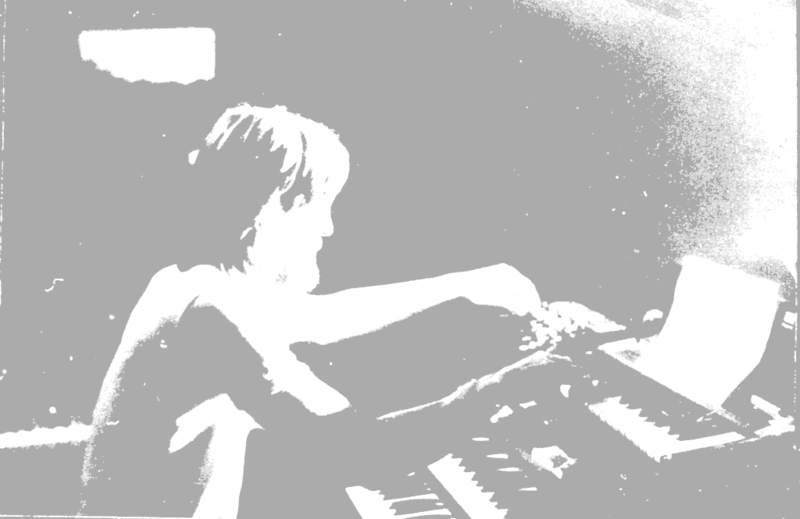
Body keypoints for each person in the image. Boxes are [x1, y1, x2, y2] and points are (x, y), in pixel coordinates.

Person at [77, 103, 577, 518]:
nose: (327, 227)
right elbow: (357, 451)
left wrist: (466, 290)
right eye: (317, 208)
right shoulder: (208, 316)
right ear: (269, 218)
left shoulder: (186, 288)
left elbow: (329, 315)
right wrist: (496, 390)